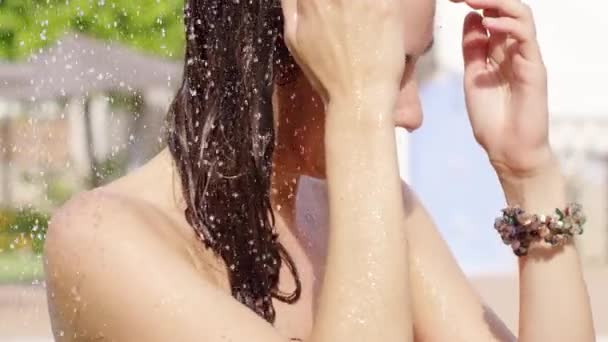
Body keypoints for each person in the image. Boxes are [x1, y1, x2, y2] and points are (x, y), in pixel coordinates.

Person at [43, 0, 595, 341]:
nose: (411, 114)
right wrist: (357, 107)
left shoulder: (379, 216)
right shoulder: (101, 240)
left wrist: (528, 172)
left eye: (414, 65)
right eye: (387, 67)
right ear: (273, 49)